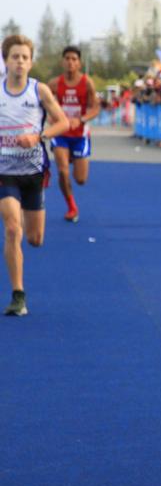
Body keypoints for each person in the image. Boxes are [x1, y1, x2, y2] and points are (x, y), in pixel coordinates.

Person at [0, 35, 69, 316]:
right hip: (4, 172)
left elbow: (64, 122)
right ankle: (18, 295)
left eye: (24, 57)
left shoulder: (39, 91)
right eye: (14, 56)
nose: (19, 62)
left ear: (31, 62)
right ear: (5, 61)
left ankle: (35, 223)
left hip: (34, 171)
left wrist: (38, 136)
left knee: (34, 238)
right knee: (12, 228)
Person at [47, 45, 99, 223]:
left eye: (74, 59)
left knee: (81, 179)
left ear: (79, 63)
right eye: (67, 58)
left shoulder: (87, 82)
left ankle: (71, 157)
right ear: (63, 61)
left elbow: (95, 108)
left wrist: (82, 119)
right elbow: (43, 102)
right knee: (62, 171)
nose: (70, 62)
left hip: (80, 135)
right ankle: (71, 207)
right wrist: (50, 118)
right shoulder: (54, 83)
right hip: (61, 133)